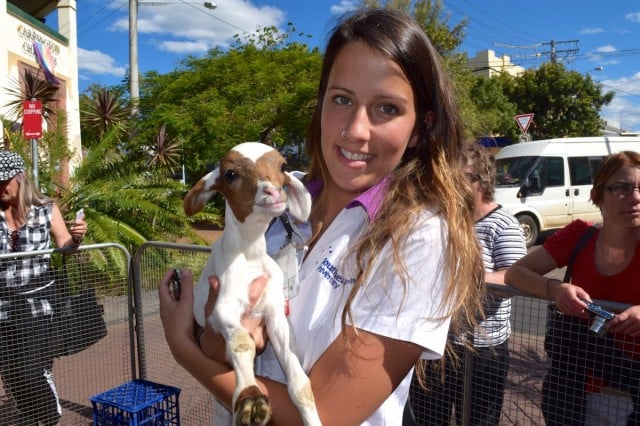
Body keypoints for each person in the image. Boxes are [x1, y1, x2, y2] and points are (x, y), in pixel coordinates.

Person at [158, 8, 485, 425]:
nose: (356, 129)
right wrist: (223, 338)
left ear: (420, 127)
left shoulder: (417, 238)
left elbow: (325, 415)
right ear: (321, 104)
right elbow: (219, 340)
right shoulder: (275, 202)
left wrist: (182, 346)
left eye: (386, 108)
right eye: (342, 99)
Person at [505, 150, 640, 426]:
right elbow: (515, 274)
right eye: (622, 188)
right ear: (598, 194)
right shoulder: (580, 235)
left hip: (634, 392)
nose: (636, 197)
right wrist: (555, 289)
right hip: (576, 393)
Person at [408, 143, 527, 425]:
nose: (449, 187)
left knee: (478, 419)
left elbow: (517, 276)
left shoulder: (503, 224)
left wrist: (470, 279)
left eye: (458, 179)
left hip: (484, 349)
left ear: (481, 181)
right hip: (438, 342)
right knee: (428, 417)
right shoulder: (444, 220)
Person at [0, 150, 87, 426]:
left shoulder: (46, 210)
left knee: (29, 370)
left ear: (19, 178)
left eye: (4, 180)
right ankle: (30, 413)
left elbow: (66, 248)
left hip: (37, 305)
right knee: (10, 371)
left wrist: (76, 239)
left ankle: (49, 414)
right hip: (2, 305)